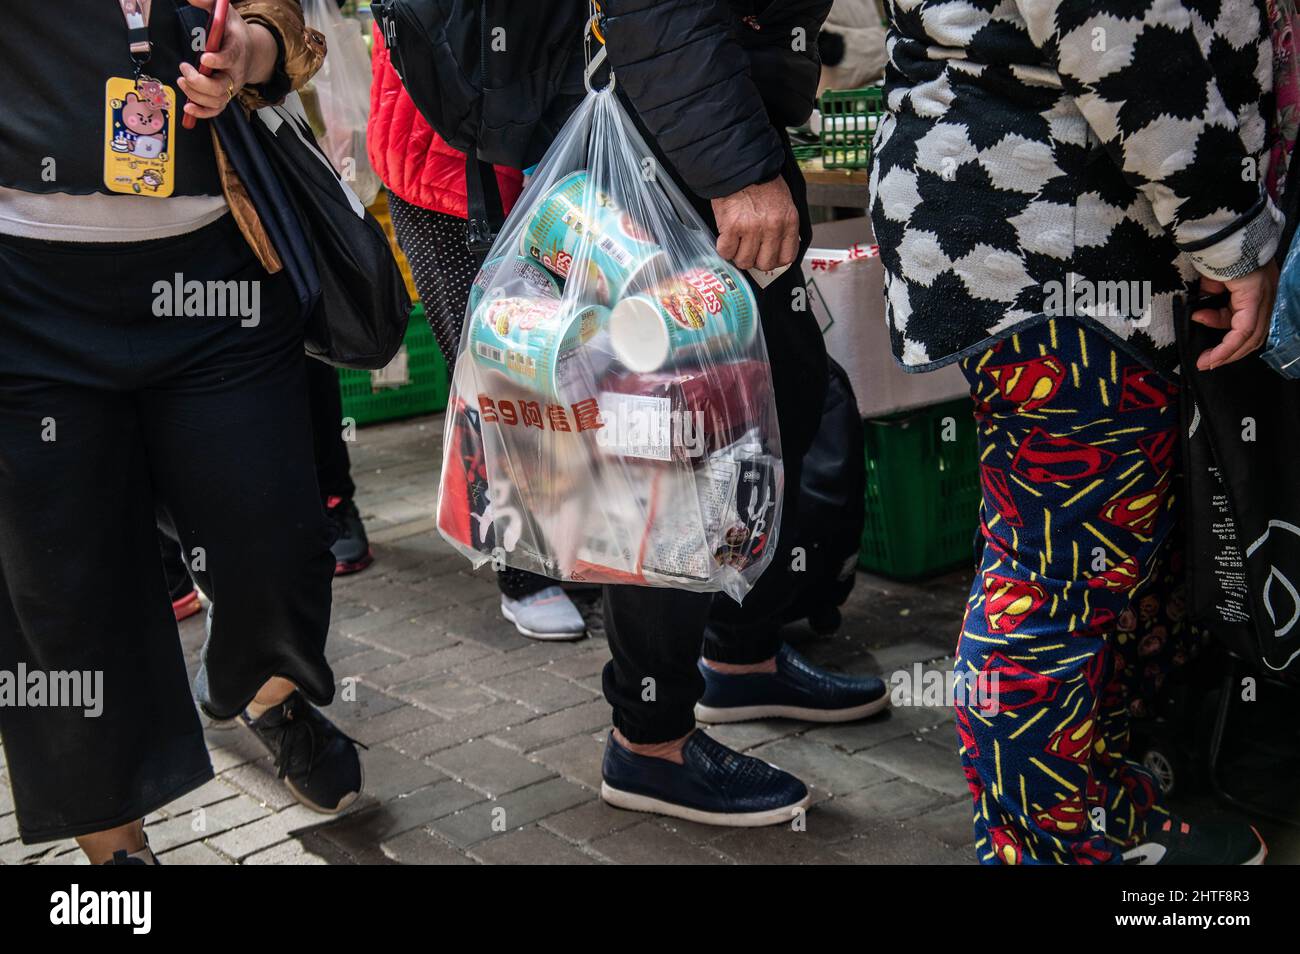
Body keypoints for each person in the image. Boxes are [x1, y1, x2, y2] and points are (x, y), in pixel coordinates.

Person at [870, 0, 1278, 864]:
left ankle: (1089, 811)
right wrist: (1230, 234)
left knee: (1083, 561)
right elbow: (1123, 31)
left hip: (1052, 225)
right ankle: (1038, 847)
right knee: (1053, 577)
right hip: (1057, 236)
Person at [0, 0, 362, 864]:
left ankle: (263, 688)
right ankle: (115, 856)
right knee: (63, 597)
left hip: (216, 273)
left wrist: (254, 47)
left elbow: (288, 20)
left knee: (273, 537)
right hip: (24, 293)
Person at [585, 0, 890, 827]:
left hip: (726, 128)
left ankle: (739, 652)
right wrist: (736, 173)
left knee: (777, 403)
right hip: (687, 159)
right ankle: (648, 740)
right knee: (684, 442)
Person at [367, 27, 587, 641]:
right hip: (447, 167)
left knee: (573, 361)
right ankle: (521, 568)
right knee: (490, 370)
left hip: (560, 157)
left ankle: (575, 543)